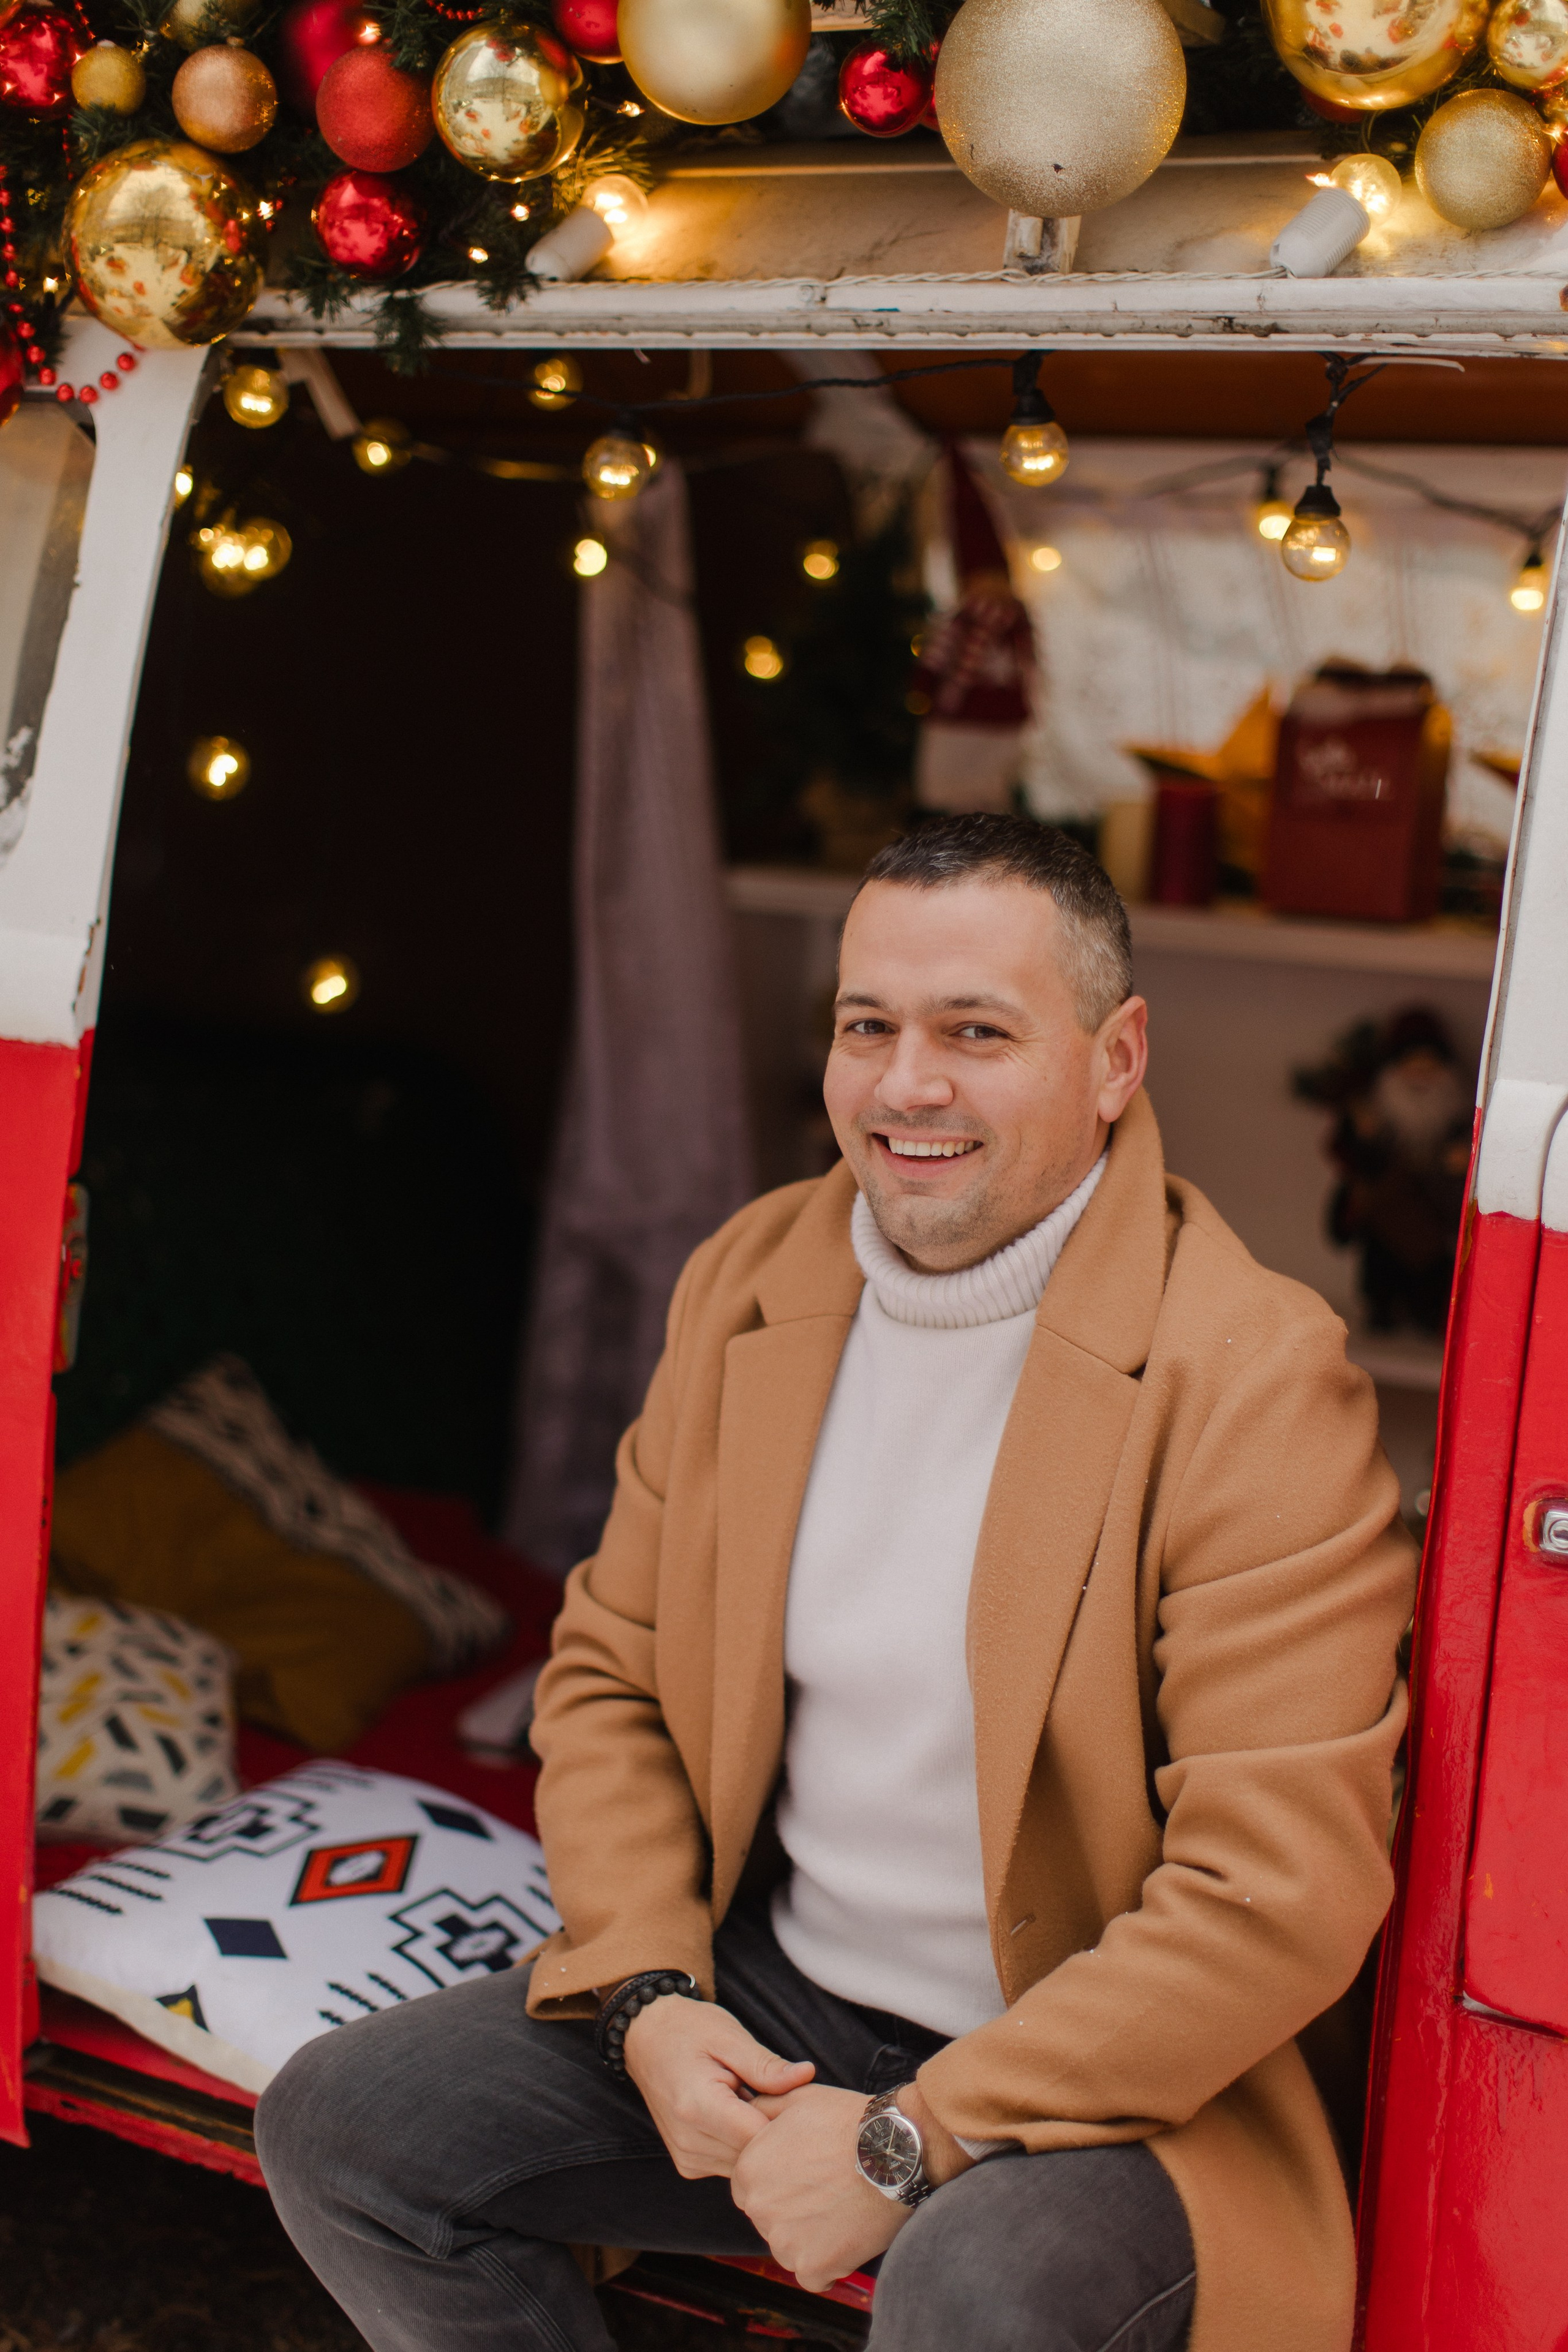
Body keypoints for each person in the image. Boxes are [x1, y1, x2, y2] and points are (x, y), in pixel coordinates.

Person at [257, 814, 1416, 2352]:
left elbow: (1273, 1896)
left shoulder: (1255, 1379)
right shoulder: (749, 1277)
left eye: (975, 1033)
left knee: (976, 2291)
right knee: (351, 2130)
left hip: (1111, 2074)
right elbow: (608, 1680)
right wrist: (647, 2000)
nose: (903, 1083)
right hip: (784, 2001)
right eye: (864, 1025)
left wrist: (906, 2141)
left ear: (1114, 1057)